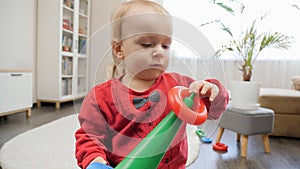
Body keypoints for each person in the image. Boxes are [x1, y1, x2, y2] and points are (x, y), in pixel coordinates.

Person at [75, 0, 229, 169]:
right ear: (119, 49)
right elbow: (90, 137)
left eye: (166, 45)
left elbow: (213, 111)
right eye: (147, 44)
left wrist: (212, 91)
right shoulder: (100, 97)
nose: (159, 52)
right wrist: (94, 160)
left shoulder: (180, 85)